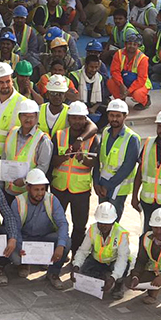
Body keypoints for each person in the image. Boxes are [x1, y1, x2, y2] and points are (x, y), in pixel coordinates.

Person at [50, 102, 99, 256]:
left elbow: (95, 162)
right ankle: (58, 253)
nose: (77, 121)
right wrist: (63, 158)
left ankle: (76, 255)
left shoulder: (92, 139)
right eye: (74, 118)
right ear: (69, 118)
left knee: (79, 225)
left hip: (80, 189)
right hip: (59, 187)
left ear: (85, 119)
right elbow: (51, 160)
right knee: (56, 223)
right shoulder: (59, 135)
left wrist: (83, 159)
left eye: (80, 118)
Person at [11, 168, 70, 289]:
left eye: (42, 189)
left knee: (66, 242)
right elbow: (14, 229)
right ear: (28, 188)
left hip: (45, 237)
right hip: (25, 238)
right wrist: (20, 247)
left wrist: (60, 245)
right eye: (36, 189)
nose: (40, 193)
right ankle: (24, 264)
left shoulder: (52, 200)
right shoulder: (18, 202)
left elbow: (63, 224)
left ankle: (53, 273)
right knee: (16, 257)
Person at [93, 99, 141, 221]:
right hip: (102, 185)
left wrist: (108, 186)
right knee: (102, 219)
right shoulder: (105, 132)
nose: (114, 119)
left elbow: (127, 167)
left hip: (118, 188)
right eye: (111, 115)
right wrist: (96, 182)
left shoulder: (132, 138)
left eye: (118, 116)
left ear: (125, 116)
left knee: (112, 222)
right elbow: (99, 159)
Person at [71, 202, 130, 300]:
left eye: (106, 223)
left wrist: (113, 277)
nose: (103, 226)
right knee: (83, 271)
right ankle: (102, 278)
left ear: (113, 222)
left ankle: (118, 285)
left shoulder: (121, 234)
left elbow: (122, 258)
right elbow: (83, 250)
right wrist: (76, 266)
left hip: (113, 261)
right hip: (97, 260)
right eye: (100, 223)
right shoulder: (93, 229)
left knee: (124, 266)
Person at [0, 99, 52, 201]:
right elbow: (4, 158)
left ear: (37, 117)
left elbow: (43, 167)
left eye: (31, 116)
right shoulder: (11, 133)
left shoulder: (43, 140)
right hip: (8, 190)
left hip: (29, 194)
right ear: (19, 117)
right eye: (24, 116)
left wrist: (25, 180)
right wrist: (0, 184)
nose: (28, 119)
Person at [108, 33, 151, 110]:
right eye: (129, 43)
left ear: (138, 46)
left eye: (135, 44)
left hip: (140, 84)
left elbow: (141, 79)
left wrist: (129, 91)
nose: (132, 46)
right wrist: (121, 85)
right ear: (125, 44)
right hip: (123, 82)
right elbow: (114, 71)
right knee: (110, 82)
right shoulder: (119, 54)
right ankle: (121, 100)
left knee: (138, 95)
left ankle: (145, 101)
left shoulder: (143, 58)